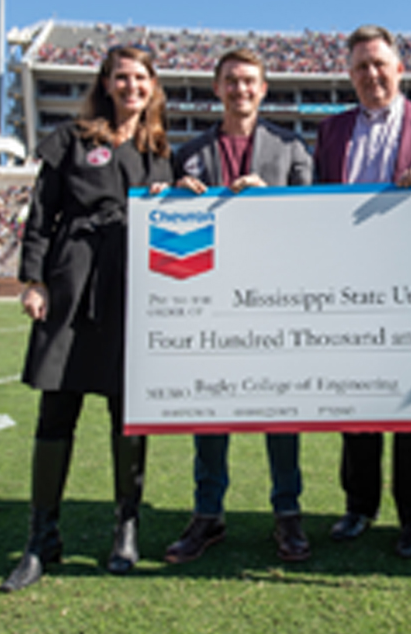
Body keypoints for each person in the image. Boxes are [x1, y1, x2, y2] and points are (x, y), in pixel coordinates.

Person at [0, 45, 175, 593]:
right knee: (57, 411)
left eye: (140, 78)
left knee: (128, 414)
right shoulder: (73, 139)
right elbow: (42, 215)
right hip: (71, 283)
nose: (131, 86)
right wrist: (34, 280)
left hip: (130, 290)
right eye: (121, 77)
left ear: (152, 86)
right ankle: (41, 538)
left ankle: (126, 528)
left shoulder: (159, 151)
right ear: (105, 83)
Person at [314, 24, 411, 558]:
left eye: (379, 64)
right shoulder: (331, 130)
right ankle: (359, 505)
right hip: (352, 284)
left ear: (399, 68)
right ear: (349, 74)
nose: (371, 74)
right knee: (356, 402)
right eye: (360, 66)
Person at [163, 48, 315, 564]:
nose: (240, 89)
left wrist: (270, 198)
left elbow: (314, 218)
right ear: (217, 88)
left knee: (281, 410)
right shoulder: (189, 153)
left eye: (249, 80)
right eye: (231, 80)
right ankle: (207, 513)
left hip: (274, 299)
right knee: (209, 408)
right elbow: (168, 227)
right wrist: (174, 197)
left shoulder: (292, 148)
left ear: (263, 88)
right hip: (210, 301)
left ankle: (288, 512)